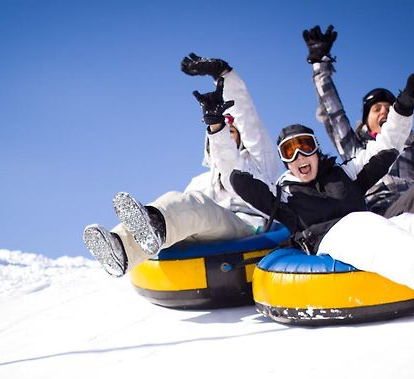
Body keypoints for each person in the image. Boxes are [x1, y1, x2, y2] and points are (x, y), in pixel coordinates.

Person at [83, 54, 280, 277]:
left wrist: (224, 75)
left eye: (231, 133)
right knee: (176, 202)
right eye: (223, 133)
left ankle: (151, 229)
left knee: (192, 205)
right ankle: (119, 247)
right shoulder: (201, 181)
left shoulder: (258, 162)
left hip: (246, 228)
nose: (227, 137)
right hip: (208, 231)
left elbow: (247, 118)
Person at [228, 76, 414, 289]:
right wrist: (220, 132)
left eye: (305, 146)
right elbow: (238, 175)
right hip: (336, 236)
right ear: (285, 162)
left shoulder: (346, 172)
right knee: (364, 225)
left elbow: (386, 147)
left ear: (316, 150)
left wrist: (403, 107)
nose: (299, 156)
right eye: (289, 152)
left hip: (371, 224)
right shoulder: (283, 194)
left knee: (408, 221)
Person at [302, 25, 414, 218]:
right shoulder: (355, 148)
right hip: (381, 212)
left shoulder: (410, 147)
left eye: (389, 109)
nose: (384, 113)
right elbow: (333, 112)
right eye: (377, 109)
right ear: (366, 121)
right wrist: (320, 64)